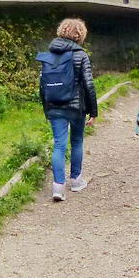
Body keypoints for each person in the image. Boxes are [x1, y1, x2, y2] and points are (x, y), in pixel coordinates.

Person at [38, 17, 98, 201]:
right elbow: (89, 84)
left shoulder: (49, 55)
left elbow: (42, 84)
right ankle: (76, 181)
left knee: (59, 144)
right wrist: (93, 111)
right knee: (77, 141)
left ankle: (57, 187)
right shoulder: (81, 55)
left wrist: (46, 108)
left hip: (54, 106)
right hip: (76, 107)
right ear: (80, 34)